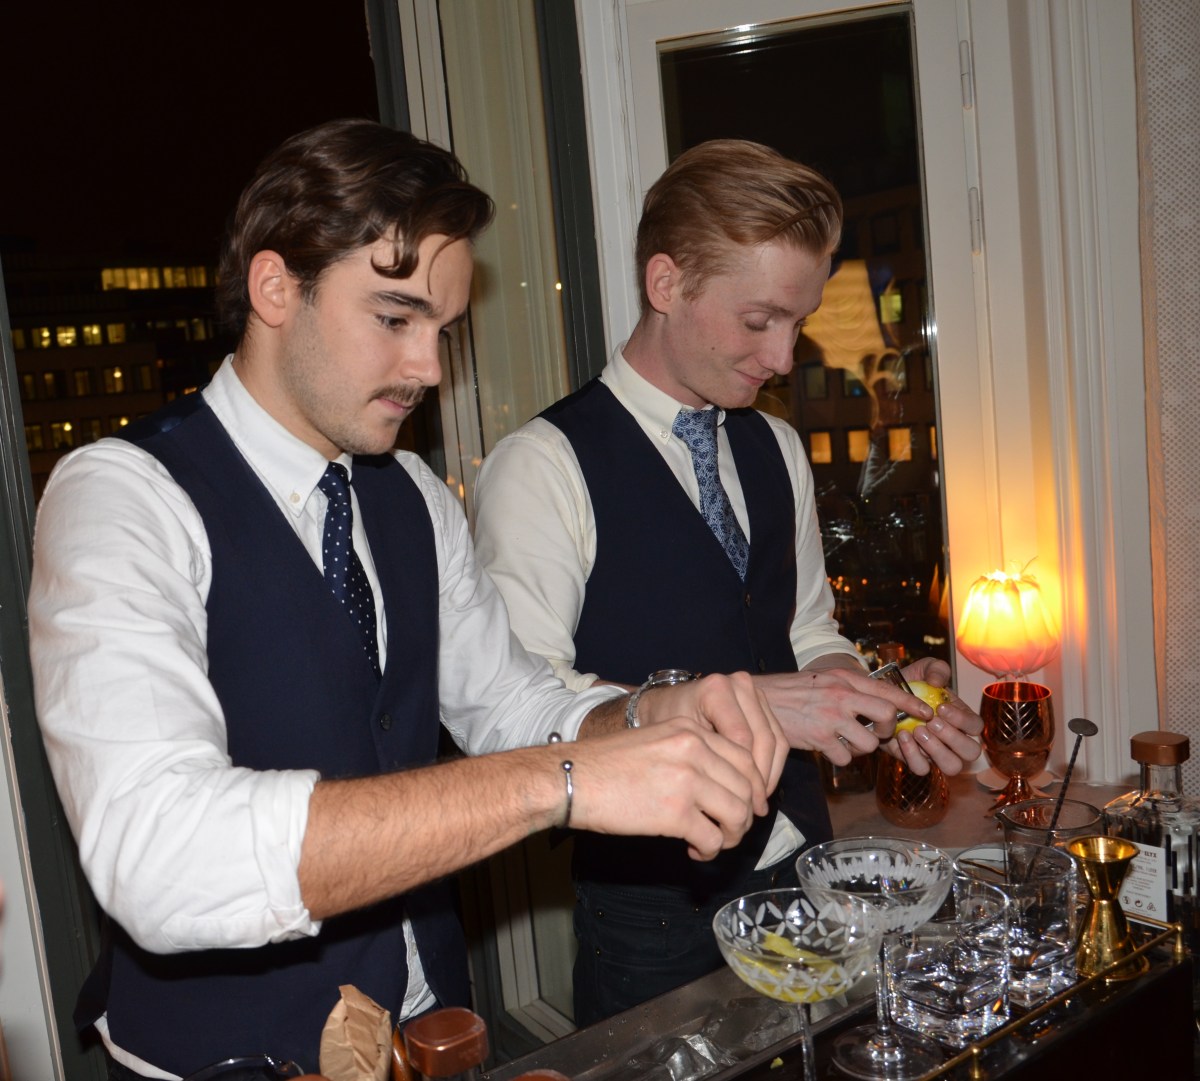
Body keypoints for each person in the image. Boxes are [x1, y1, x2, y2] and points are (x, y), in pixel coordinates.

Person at [27, 120, 792, 1080]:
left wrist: (646, 714)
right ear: (276, 288)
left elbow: (508, 703)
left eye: (443, 330)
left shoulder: (415, 496)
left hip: (428, 1030)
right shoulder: (122, 497)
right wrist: (561, 781)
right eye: (396, 318)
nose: (430, 368)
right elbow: (159, 854)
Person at [472, 139, 983, 1024]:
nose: (783, 356)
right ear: (666, 283)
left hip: (805, 863)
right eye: (759, 321)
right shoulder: (541, 466)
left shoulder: (775, 445)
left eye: (798, 322)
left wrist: (877, 696)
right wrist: (744, 706)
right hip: (655, 911)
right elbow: (524, 718)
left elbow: (807, 632)